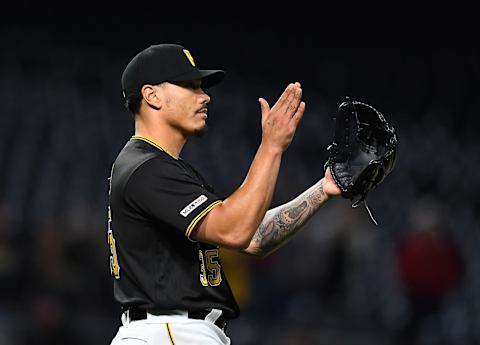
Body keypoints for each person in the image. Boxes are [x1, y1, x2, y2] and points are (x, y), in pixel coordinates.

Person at [107, 43, 341, 345]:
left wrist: (324, 188)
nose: (204, 96)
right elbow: (235, 231)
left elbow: (253, 237)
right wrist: (271, 146)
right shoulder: (146, 168)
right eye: (189, 86)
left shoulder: (159, 168)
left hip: (172, 331)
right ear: (152, 96)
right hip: (170, 331)